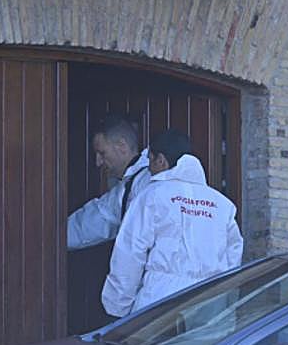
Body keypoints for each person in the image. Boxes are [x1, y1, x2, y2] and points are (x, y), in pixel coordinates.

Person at [101, 128, 243, 317]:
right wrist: (227, 305)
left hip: (160, 302)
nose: (148, 169)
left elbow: (130, 252)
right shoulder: (222, 205)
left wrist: (117, 306)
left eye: (150, 160)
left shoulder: (152, 196)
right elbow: (233, 259)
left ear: (161, 160)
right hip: (211, 304)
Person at [67, 115, 150, 250]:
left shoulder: (146, 182)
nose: (98, 162)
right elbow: (95, 219)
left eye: (102, 153)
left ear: (122, 146)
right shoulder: (131, 184)